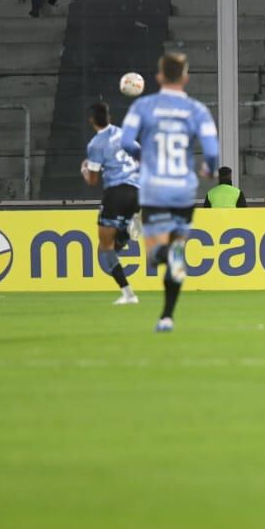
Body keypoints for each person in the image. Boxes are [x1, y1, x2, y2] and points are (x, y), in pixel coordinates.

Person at [119, 53, 219, 333]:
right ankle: (167, 317)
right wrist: (209, 170)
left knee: (154, 255)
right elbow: (211, 151)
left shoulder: (143, 106)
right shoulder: (197, 110)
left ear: (159, 77)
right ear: (185, 78)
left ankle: (164, 253)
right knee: (178, 249)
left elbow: (126, 142)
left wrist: (144, 156)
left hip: (154, 189)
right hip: (184, 190)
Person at [82, 102, 141, 306]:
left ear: (91, 120)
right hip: (136, 191)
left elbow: (92, 181)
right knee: (115, 244)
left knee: (105, 249)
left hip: (116, 192)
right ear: (109, 117)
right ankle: (128, 228)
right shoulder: (124, 134)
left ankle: (128, 294)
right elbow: (139, 155)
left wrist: (85, 169)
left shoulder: (96, 144)